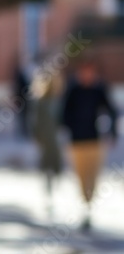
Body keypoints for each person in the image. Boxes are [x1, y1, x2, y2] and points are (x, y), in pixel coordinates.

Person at [61, 57, 118, 230]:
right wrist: (68, 130)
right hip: (77, 141)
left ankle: (89, 205)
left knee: (92, 176)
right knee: (81, 175)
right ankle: (84, 204)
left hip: (94, 141)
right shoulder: (73, 91)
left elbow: (112, 111)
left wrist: (111, 132)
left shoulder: (99, 90)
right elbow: (64, 115)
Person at [29, 66, 64, 215]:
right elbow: (36, 122)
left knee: (55, 168)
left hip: (54, 140)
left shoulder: (58, 100)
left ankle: (53, 194)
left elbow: (62, 120)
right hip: (46, 140)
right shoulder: (41, 102)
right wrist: (38, 137)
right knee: (47, 168)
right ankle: (49, 195)